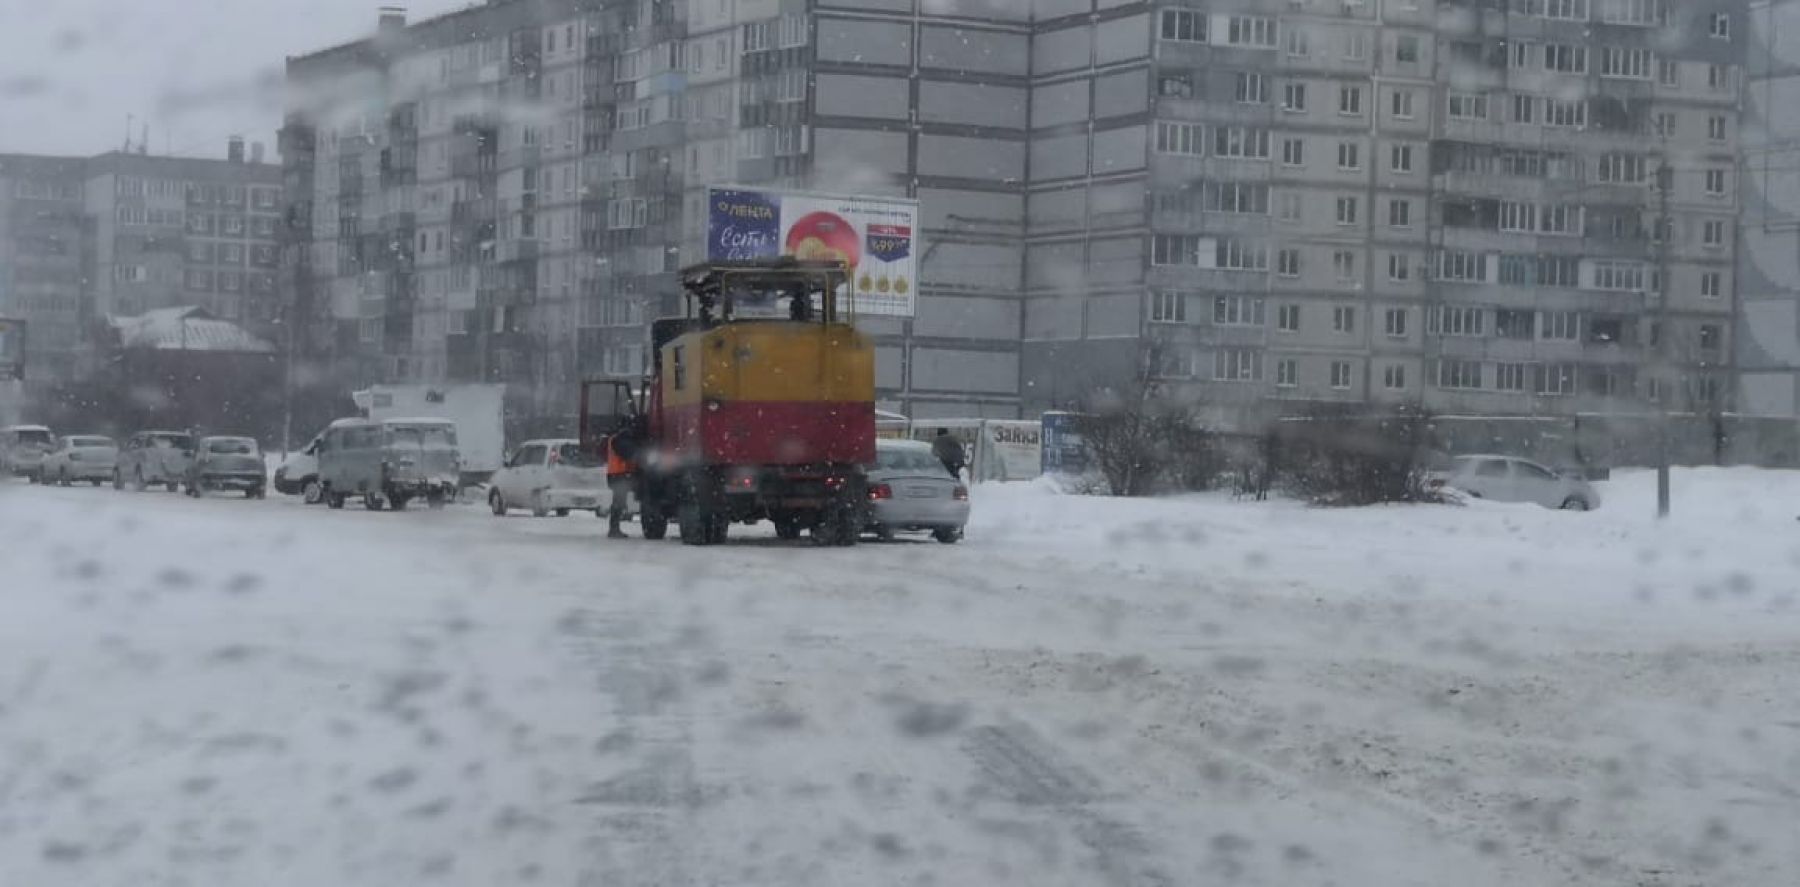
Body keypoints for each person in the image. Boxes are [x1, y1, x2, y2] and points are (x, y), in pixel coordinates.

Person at [604, 419, 642, 539]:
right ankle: (614, 529)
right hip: (619, 475)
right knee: (618, 503)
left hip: (615, 474)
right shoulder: (619, 440)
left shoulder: (614, 439)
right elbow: (628, 454)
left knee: (618, 502)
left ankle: (614, 528)